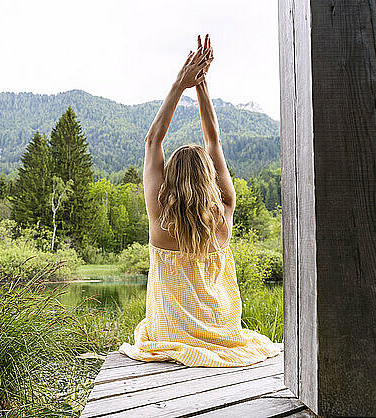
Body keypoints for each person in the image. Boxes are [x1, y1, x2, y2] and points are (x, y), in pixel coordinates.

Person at [118, 34, 282, 367]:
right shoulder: (224, 212)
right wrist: (202, 85)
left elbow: (153, 142)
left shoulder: (161, 219)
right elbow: (214, 141)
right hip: (223, 329)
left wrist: (181, 83)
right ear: (209, 178)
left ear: (170, 179)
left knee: (150, 328)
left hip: (170, 332)